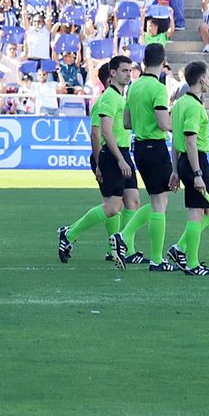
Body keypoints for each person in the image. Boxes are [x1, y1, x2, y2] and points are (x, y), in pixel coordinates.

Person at [56, 56, 139, 268]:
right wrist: (103, 163)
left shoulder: (118, 97)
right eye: (124, 70)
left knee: (132, 201)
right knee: (112, 207)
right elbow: (97, 134)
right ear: (112, 75)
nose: (128, 74)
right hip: (111, 154)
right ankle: (69, 233)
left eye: (129, 70)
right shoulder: (107, 99)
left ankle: (123, 249)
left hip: (122, 153)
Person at [116, 42, 178, 271]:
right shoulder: (158, 88)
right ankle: (156, 259)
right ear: (163, 62)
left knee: (157, 201)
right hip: (155, 147)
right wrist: (176, 124)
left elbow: (126, 122)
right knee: (160, 204)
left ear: (143, 62)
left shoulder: (134, 87)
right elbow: (163, 123)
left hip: (139, 147)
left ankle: (125, 236)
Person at [169, 61, 209, 276]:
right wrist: (197, 173)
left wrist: (175, 170)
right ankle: (192, 263)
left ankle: (180, 249)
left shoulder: (180, 104)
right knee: (197, 213)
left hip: (186, 161)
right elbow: (190, 141)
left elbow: (175, 140)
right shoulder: (194, 107)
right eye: (208, 76)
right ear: (201, 79)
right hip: (196, 161)